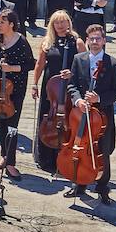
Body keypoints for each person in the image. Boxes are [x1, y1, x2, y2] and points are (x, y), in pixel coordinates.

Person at [64, 25, 116, 204]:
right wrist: (78, 101)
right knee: (80, 146)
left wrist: (99, 98)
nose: (95, 42)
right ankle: (79, 183)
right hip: (81, 113)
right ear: (87, 41)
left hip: (102, 116)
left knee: (102, 151)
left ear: (104, 41)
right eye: (92, 39)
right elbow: (72, 85)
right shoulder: (78, 59)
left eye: (98, 39)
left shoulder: (114, 64)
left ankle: (102, 187)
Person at [0, 9, 33, 178]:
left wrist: (12, 68)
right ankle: (4, 156)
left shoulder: (21, 41)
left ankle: (11, 163)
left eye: (3, 22)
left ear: (11, 24)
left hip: (15, 91)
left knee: (12, 126)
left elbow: (30, 64)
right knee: (1, 124)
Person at [31, 11, 79, 174]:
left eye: (63, 22)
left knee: (68, 122)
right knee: (47, 120)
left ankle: (65, 156)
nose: (60, 25)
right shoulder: (47, 42)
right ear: (52, 25)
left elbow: (84, 65)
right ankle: (45, 157)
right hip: (50, 88)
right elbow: (40, 64)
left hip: (69, 87)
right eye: (56, 22)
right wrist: (34, 84)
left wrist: (72, 73)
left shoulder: (77, 42)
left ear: (68, 23)